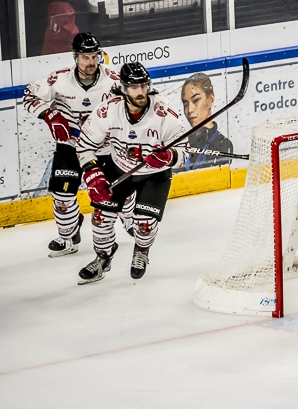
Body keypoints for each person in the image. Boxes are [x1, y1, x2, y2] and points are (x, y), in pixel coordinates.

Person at [74, 62, 189, 283]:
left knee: (143, 224)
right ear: (123, 88)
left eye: (144, 86)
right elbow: (84, 145)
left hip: (155, 175)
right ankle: (103, 258)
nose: (141, 91)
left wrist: (168, 157)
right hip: (119, 169)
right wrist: (93, 174)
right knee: (100, 217)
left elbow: (183, 153)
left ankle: (141, 251)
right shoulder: (108, 111)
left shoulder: (164, 112)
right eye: (134, 87)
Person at [23, 32, 133, 258]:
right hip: (70, 146)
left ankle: (132, 221)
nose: (91, 62)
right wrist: (48, 114)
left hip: (104, 148)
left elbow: (135, 106)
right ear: (75, 57)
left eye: (94, 56)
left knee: (119, 190)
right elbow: (29, 96)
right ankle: (68, 236)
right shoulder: (59, 79)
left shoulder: (114, 80)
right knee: (62, 196)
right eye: (85, 57)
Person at [178, 72, 232, 171]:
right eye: (185, 104)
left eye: (196, 100)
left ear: (211, 100)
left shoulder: (222, 144)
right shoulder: (183, 142)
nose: (189, 110)